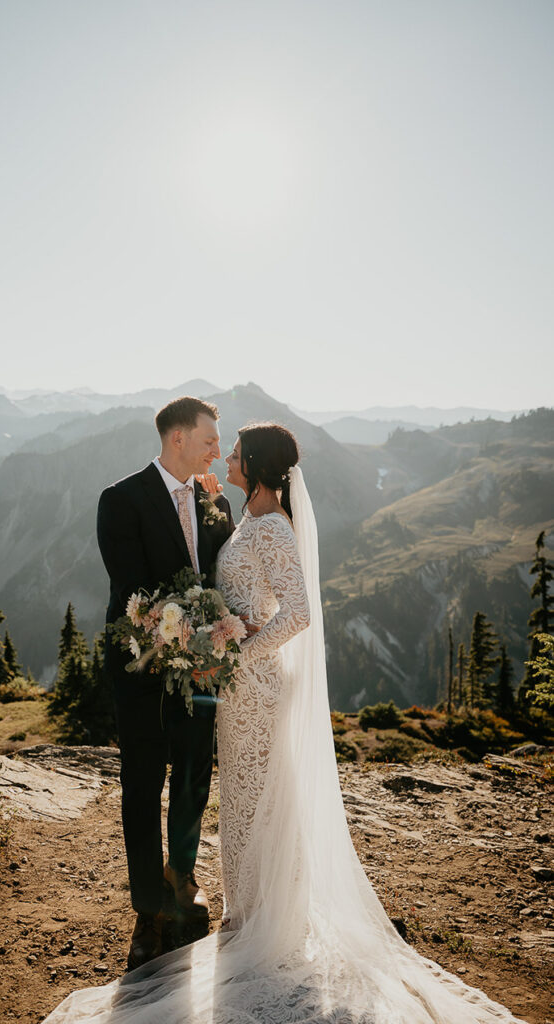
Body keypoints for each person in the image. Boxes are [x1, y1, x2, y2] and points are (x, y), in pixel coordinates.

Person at [42, 422, 528, 1024]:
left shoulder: (271, 527)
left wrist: (235, 655)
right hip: (237, 688)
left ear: (261, 466)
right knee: (246, 802)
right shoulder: (243, 516)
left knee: (259, 801)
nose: (227, 456)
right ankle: (247, 916)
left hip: (258, 686)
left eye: (238, 451)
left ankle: (266, 924)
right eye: (222, 443)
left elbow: (296, 614)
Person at [95, 396, 234, 971]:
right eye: (208, 441)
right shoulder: (121, 499)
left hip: (203, 670)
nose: (216, 453)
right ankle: (148, 912)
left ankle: (183, 875)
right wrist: (184, 642)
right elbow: (132, 592)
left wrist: (215, 643)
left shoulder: (215, 501)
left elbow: (217, 576)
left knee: (195, 773)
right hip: (143, 668)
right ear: (177, 438)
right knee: (142, 784)